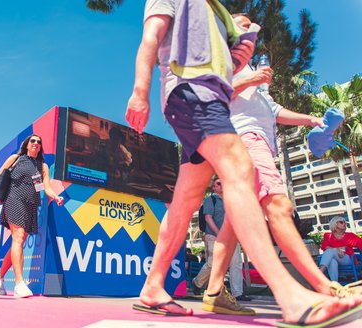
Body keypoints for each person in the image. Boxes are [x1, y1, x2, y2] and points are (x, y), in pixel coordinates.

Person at [126, 0, 362, 324]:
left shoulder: (218, 14)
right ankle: (290, 296)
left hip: (210, 102)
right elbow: (151, 37)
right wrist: (140, 91)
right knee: (239, 168)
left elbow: (229, 69)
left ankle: (152, 287)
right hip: (193, 93)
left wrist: (242, 50)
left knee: (185, 200)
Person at [202, 13, 362, 315]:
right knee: (277, 205)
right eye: (243, 24)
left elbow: (274, 110)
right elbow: (212, 94)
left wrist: (313, 119)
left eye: (251, 25)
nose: (251, 28)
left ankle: (213, 294)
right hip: (245, 138)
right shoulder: (221, 57)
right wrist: (250, 78)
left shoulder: (251, 71)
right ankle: (322, 287)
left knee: (234, 223)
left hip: (254, 140)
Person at [0, 134, 64, 298]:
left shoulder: (43, 166)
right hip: (13, 200)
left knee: (19, 242)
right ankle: (20, 283)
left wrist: (55, 196)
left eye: (39, 142)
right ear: (27, 144)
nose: (36, 143)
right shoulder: (16, 159)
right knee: (18, 238)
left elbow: (46, 187)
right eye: (33, 141)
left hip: (30, 205)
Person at [192, 178, 252, 306]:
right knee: (212, 263)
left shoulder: (231, 201)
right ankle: (197, 282)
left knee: (236, 263)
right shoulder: (211, 200)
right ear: (214, 187)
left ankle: (237, 293)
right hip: (214, 237)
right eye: (218, 183)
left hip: (231, 237)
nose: (222, 185)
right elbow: (208, 218)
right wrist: (219, 233)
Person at [319, 217, 362, 282]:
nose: (344, 224)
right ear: (335, 224)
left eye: (345, 222)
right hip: (334, 258)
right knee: (332, 261)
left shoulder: (350, 236)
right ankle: (335, 284)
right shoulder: (328, 236)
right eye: (341, 222)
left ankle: (320, 273)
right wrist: (337, 249)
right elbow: (324, 247)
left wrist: (345, 248)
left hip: (347, 259)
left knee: (330, 251)